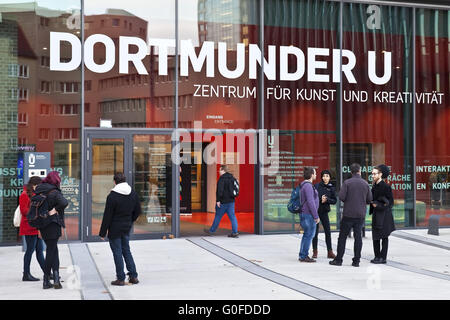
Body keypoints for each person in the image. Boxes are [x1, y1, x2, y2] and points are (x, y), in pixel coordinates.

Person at [99, 173, 141, 286]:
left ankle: (120, 278)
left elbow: (107, 216)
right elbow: (138, 210)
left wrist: (102, 233)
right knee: (126, 250)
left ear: (115, 182)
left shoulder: (112, 196)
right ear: (125, 180)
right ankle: (133, 276)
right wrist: (130, 220)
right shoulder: (133, 193)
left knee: (117, 252)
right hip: (126, 226)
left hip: (114, 228)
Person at [330, 163, 372, 267]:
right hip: (360, 214)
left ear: (351, 172)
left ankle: (339, 260)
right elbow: (369, 199)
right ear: (359, 171)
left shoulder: (347, 183)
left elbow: (341, 197)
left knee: (342, 237)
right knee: (358, 238)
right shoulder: (365, 183)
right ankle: (356, 261)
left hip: (348, 214)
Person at [35, 171, 68, 289]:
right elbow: (64, 202)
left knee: (54, 250)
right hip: (53, 224)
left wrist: (38, 228)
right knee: (51, 251)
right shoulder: (54, 191)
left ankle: (56, 278)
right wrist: (55, 209)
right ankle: (46, 279)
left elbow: (37, 211)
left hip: (43, 225)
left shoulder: (39, 190)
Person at [19, 176, 45, 282]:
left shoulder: (34, 194)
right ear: (34, 185)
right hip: (29, 227)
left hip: (36, 226)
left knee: (40, 250)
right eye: (38, 186)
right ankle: (26, 274)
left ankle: (47, 272)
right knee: (30, 250)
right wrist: (36, 210)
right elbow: (24, 211)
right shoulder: (24, 195)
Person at [370, 164, 395, 264]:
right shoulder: (374, 186)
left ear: (380, 174)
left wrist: (379, 205)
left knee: (384, 236)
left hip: (385, 215)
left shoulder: (386, 187)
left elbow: (391, 203)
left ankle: (383, 257)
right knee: (375, 236)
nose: (373, 176)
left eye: (375, 174)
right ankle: (377, 256)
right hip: (376, 214)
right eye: (372, 174)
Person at [204, 165, 239, 238]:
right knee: (232, 217)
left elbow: (220, 191)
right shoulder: (232, 178)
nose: (219, 172)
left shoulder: (222, 179)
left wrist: (218, 200)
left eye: (219, 170)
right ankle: (235, 232)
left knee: (218, 216)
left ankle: (211, 231)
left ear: (223, 170)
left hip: (223, 202)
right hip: (231, 201)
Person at [312, 170, 337, 259]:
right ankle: (315, 251)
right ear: (321, 177)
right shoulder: (317, 186)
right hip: (316, 212)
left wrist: (327, 200)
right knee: (315, 233)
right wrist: (320, 199)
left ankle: (330, 252)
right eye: (324, 176)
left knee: (328, 232)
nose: (325, 178)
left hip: (325, 212)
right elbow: (312, 198)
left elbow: (334, 201)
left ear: (330, 177)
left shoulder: (332, 188)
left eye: (327, 176)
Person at [298, 167, 320, 263]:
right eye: (315, 173)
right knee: (309, 234)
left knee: (307, 234)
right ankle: (304, 256)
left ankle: (302, 254)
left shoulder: (306, 185)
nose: (316, 175)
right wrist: (316, 216)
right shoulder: (308, 186)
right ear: (311, 175)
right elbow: (311, 202)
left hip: (306, 214)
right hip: (308, 215)